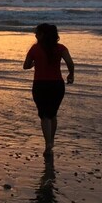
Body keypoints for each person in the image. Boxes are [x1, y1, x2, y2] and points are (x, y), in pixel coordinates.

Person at [23, 23, 74, 156]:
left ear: (42, 35)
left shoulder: (35, 49)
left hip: (40, 85)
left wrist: (35, 62)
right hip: (57, 85)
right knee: (52, 114)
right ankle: (51, 140)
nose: (35, 35)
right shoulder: (61, 48)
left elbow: (26, 66)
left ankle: (48, 144)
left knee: (44, 115)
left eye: (37, 33)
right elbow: (70, 62)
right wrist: (71, 74)